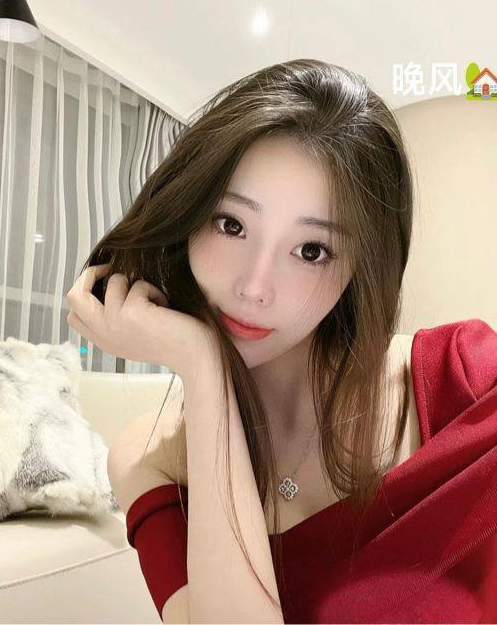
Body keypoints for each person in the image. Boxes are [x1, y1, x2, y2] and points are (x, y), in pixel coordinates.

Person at [67, 59, 497, 623]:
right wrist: (205, 369)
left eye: (311, 251)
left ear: (360, 268)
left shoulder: (469, 382)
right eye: (231, 225)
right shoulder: (152, 459)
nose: (254, 287)